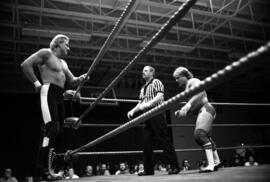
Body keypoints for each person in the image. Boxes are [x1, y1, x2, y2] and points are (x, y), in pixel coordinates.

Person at [20, 34, 88, 180]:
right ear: (57, 44)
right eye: (67, 45)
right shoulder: (46, 53)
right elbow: (25, 65)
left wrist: (81, 78)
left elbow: (73, 80)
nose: (69, 48)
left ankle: (49, 169)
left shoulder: (64, 63)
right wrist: (36, 83)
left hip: (59, 95)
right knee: (52, 129)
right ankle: (45, 171)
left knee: (58, 133)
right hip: (48, 91)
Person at [127, 65, 180, 176]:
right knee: (146, 143)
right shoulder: (143, 88)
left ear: (152, 73)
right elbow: (140, 103)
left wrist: (148, 104)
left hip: (157, 113)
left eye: (145, 71)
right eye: (143, 71)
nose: (143, 72)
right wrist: (133, 110)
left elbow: (160, 96)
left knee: (164, 140)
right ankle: (149, 170)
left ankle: (175, 166)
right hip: (146, 116)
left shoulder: (156, 82)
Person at [173, 66, 221, 173]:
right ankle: (217, 162)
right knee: (206, 136)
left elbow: (200, 92)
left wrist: (188, 105)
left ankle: (211, 165)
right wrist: (181, 111)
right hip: (204, 110)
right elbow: (194, 103)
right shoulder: (187, 88)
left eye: (177, 77)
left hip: (206, 109)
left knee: (199, 134)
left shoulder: (192, 81)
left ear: (184, 76)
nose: (176, 80)